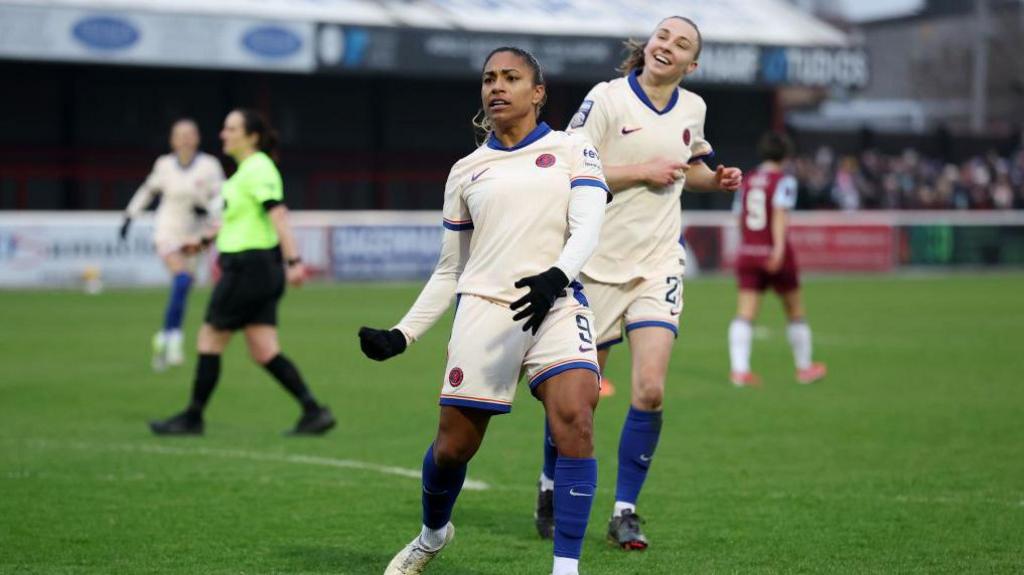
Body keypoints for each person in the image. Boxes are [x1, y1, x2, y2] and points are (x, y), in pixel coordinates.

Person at [358, 47, 609, 575]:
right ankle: (432, 534)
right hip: (486, 311)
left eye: (511, 78)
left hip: (558, 303)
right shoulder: (467, 171)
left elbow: (588, 224)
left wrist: (556, 276)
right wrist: (402, 335)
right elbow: (451, 269)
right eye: (489, 78)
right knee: (452, 450)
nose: (497, 86)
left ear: (538, 92)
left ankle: (567, 568)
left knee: (576, 421)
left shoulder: (573, 149)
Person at [533, 16, 744, 550]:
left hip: (657, 264)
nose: (667, 46)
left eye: (682, 44)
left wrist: (714, 181)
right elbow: (566, 167)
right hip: (595, 264)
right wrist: (638, 171)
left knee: (650, 389)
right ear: (648, 46)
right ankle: (550, 483)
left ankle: (625, 510)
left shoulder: (692, 108)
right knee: (578, 400)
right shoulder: (606, 99)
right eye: (663, 36)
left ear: (691, 65)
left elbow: (687, 166)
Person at [148, 109, 335, 436]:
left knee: (209, 339)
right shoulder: (241, 175)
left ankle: (193, 417)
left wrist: (294, 262)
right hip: (256, 269)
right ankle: (313, 411)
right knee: (264, 349)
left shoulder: (259, 168)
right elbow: (233, 221)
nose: (223, 134)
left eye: (231, 128)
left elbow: (278, 215)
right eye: (224, 128)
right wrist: (203, 240)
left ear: (251, 136)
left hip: (248, 269)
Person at [121, 119, 224, 371]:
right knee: (180, 279)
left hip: (196, 233)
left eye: (190, 134)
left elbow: (222, 196)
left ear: (197, 138)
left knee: (185, 284)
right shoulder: (164, 165)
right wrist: (130, 215)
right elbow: (148, 190)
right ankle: (175, 339)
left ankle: (165, 335)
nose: (185, 139)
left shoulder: (210, 165)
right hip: (168, 229)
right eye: (180, 135)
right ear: (172, 140)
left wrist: (208, 210)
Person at [728, 132, 827, 386]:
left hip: (749, 252)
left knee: (745, 313)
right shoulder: (783, 180)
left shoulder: (747, 180)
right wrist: (779, 250)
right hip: (775, 253)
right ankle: (804, 368)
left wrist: (748, 244)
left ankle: (739, 371)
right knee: (795, 311)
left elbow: (739, 217)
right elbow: (780, 214)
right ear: (786, 155)